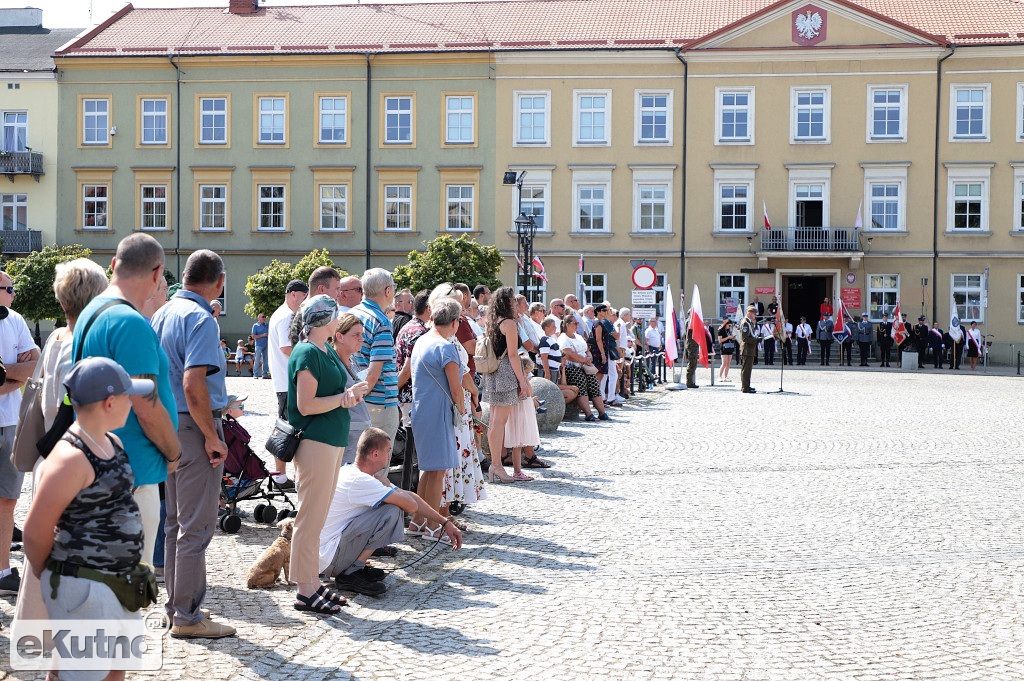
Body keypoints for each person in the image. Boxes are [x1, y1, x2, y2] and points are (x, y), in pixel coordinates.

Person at [23, 358, 154, 681]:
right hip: (85, 587)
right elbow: (35, 532)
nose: (132, 402)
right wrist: (62, 578)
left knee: (112, 672)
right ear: (110, 402)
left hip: (119, 584)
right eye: (128, 396)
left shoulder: (113, 443)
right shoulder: (70, 458)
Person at [71, 234, 179, 599]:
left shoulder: (92, 311)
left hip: (99, 466)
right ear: (157, 273)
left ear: (114, 266)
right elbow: (146, 405)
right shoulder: (131, 323)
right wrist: (174, 452)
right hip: (131, 476)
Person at [150, 250, 234, 638]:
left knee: (174, 523)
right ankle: (186, 615)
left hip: (167, 423)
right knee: (196, 526)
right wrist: (213, 437)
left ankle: (176, 605)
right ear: (219, 281)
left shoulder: (163, 312)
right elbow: (193, 383)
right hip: (193, 425)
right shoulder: (200, 318)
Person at [287, 295, 368, 614]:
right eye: (336, 316)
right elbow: (306, 405)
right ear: (325, 320)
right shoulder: (307, 351)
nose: (340, 321)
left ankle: (312, 583)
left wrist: (349, 395)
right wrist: (344, 399)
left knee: (318, 517)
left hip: (330, 441)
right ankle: (305, 589)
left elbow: (336, 393)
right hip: (315, 442)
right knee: (310, 517)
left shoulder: (323, 349)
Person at [320, 428, 462, 596]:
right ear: (374, 454)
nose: (389, 457)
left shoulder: (356, 473)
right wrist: (387, 487)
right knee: (392, 510)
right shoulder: (362, 480)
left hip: (328, 553)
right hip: (331, 558)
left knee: (393, 502)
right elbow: (410, 506)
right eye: (387, 452)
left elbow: (411, 497)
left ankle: (354, 566)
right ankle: (351, 572)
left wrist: (444, 522)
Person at [408, 297, 467, 538]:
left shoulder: (422, 340)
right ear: (455, 322)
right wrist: (463, 411)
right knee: (438, 473)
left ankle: (418, 521)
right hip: (438, 413)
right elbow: (456, 388)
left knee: (429, 471)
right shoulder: (446, 347)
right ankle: (433, 527)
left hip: (422, 411)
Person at [480, 287, 531, 481]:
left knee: (495, 422)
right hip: (506, 374)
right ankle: (497, 466)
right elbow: (512, 354)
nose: (515, 303)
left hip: (494, 373)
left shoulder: (493, 320)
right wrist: (522, 381)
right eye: (512, 300)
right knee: (498, 423)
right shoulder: (509, 323)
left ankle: (496, 466)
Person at [351, 268, 400, 448]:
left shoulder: (351, 313)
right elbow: (374, 372)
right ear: (387, 291)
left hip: (356, 396)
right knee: (377, 467)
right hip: (379, 402)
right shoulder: (381, 321)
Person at [267, 279, 307, 487]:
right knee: (289, 432)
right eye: (303, 296)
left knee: (287, 430)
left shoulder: (281, 314)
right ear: (294, 294)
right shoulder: (286, 316)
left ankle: (281, 475)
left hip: (284, 381)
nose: (304, 301)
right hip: (288, 382)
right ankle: (280, 477)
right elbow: (286, 348)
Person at [333, 314, 373, 465]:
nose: (361, 339)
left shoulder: (353, 359)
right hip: (345, 437)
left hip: (358, 435)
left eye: (362, 334)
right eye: (356, 335)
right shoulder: (332, 364)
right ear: (340, 337)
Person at [558, 315, 607, 421]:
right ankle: (588, 414)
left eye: (577, 323)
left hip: (585, 365)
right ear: (567, 325)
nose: (577, 325)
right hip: (571, 367)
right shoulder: (563, 338)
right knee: (581, 385)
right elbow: (568, 354)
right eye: (575, 323)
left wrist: (589, 357)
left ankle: (602, 412)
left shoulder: (578, 336)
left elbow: (586, 349)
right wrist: (584, 360)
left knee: (594, 384)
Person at [395, 290, 430, 427]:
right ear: (429, 308)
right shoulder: (419, 332)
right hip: (413, 398)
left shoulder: (408, 327)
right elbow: (408, 368)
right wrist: (394, 390)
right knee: (414, 445)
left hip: (408, 397)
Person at [739, 305, 758, 393]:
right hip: (747, 349)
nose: (755, 315)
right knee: (746, 369)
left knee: (748, 369)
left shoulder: (749, 322)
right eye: (754, 313)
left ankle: (746, 385)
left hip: (749, 349)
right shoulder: (745, 323)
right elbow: (745, 338)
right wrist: (756, 340)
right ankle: (745, 387)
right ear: (749, 313)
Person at [251, 312, 269, 379]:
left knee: (265, 359)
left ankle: (265, 374)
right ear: (259, 318)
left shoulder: (266, 325)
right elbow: (253, 336)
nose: (264, 318)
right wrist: (262, 335)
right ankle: (255, 374)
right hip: (259, 345)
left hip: (266, 344)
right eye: (263, 317)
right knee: (257, 359)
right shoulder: (255, 326)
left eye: (265, 317)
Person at [684, 324, 700, 389]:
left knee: (694, 363)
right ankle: (689, 382)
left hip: (694, 344)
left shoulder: (693, 321)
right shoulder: (690, 321)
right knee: (691, 363)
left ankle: (691, 381)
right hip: (691, 345)